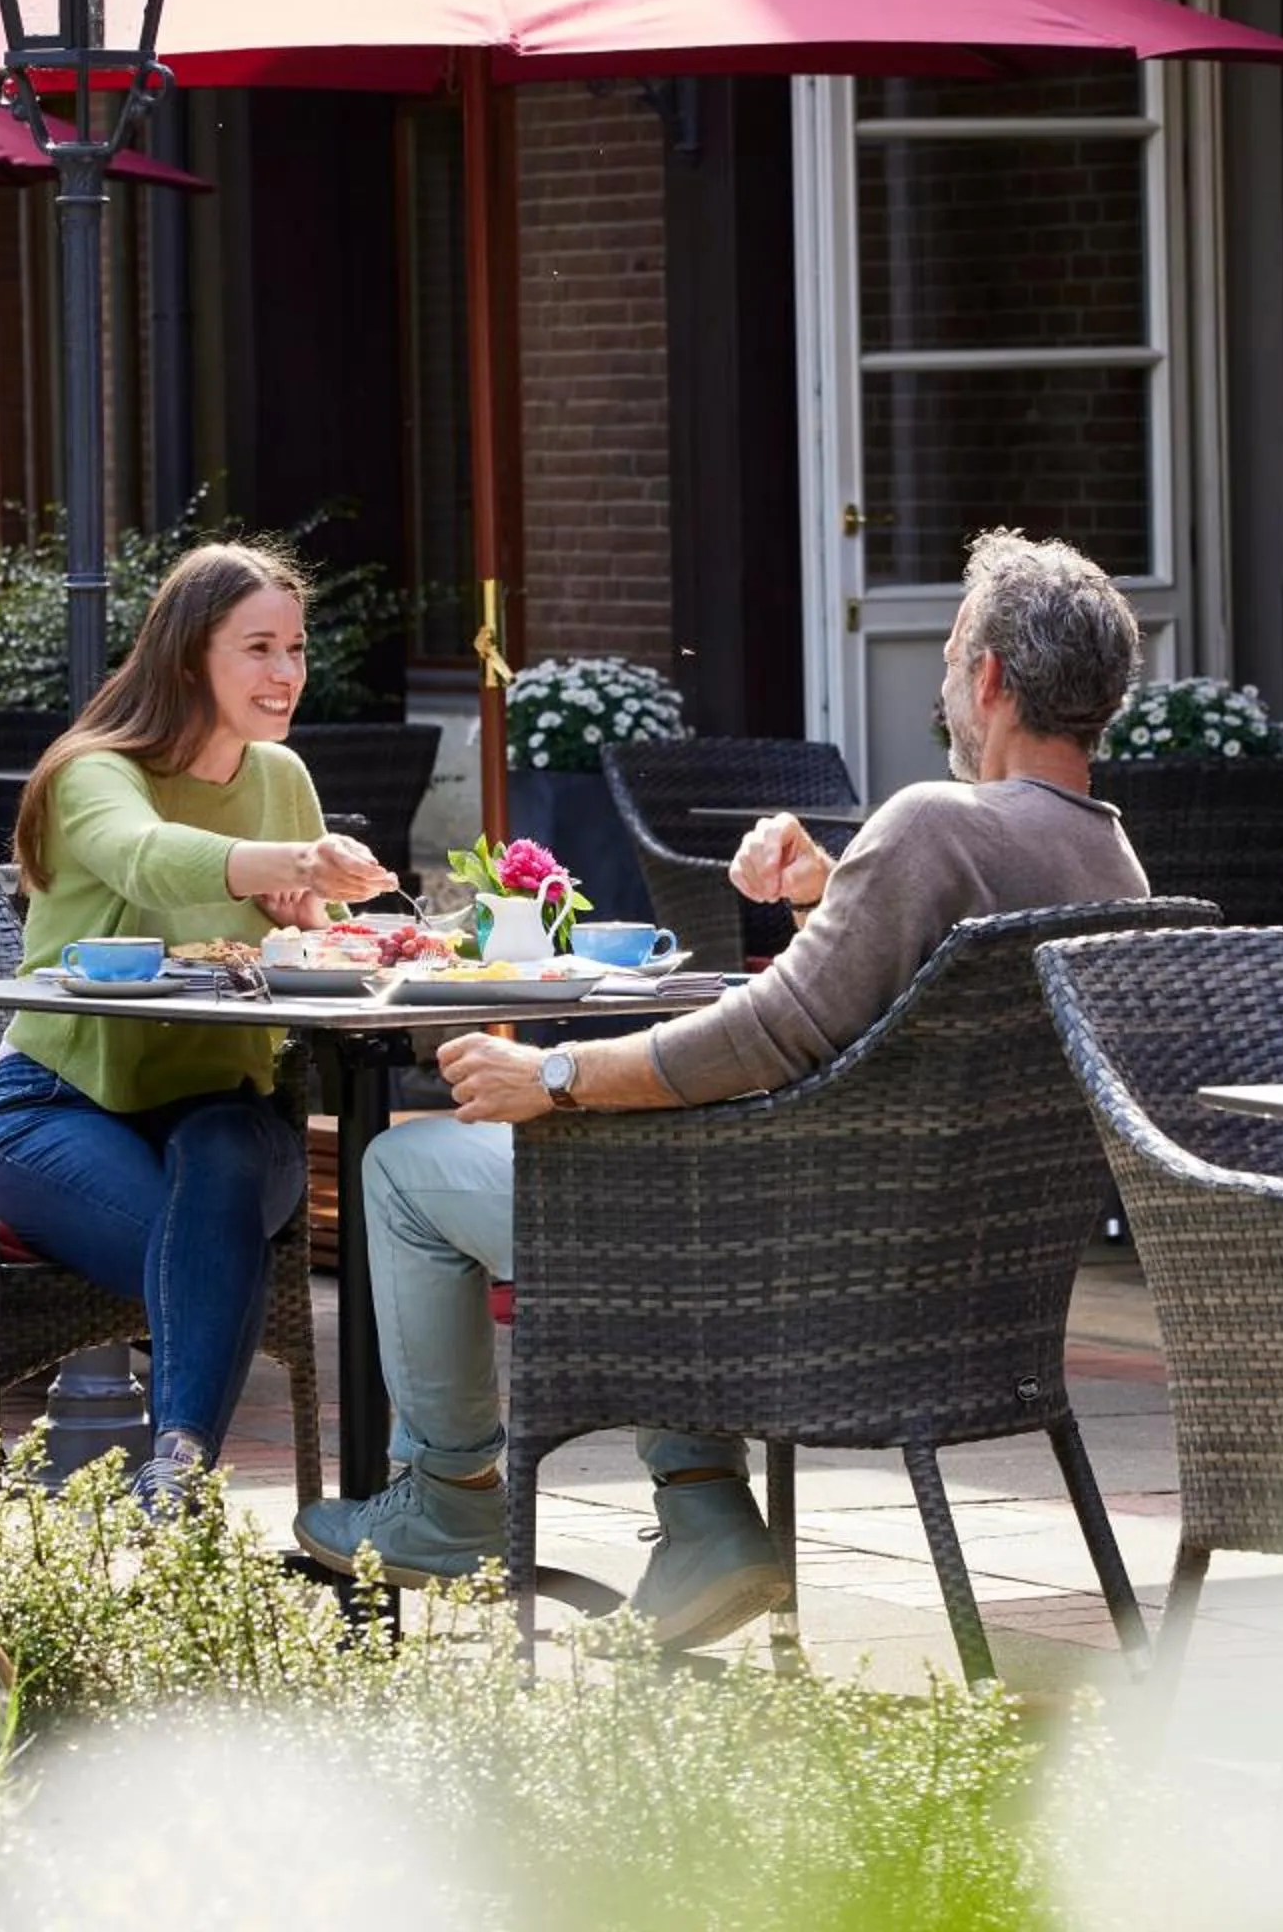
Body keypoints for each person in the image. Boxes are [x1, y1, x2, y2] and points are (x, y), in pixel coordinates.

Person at [294, 528, 1153, 1648]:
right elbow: (885, 1029)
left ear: (990, 677)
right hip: (954, 1298)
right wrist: (829, 893)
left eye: (950, 658)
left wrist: (554, 1073)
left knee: (406, 1165)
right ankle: (704, 1513)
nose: (943, 685)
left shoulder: (934, 824)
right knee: (673, 1138)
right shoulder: (1115, 867)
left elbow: (764, 1036)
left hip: (780, 1282)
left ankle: (455, 1499)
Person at [0, 540, 396, 1510]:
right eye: (258, 648)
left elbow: (327, 947)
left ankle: (172, 1479)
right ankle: (180, 1484)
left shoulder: (280, 775)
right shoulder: (94, 772)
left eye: (296, 648)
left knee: (220, 1163)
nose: (286, 671)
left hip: (226, 1108)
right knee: (210, 1253)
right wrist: (292, 861)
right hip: (58, 1105)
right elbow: (146, 856)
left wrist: (309, 917)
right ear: (185, 659)